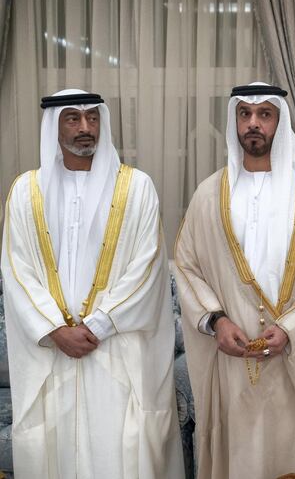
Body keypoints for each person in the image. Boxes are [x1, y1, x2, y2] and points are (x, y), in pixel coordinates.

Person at [1, 89, 183, 478]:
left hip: (117, 347)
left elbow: (147, 267)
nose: (85, 128)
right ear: (54, 127)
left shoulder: (136, 188)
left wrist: (97, 324)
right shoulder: (24, 192)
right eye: (73, 119)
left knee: (118, 452)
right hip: (52, 350)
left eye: (92, 118)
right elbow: (17, 271)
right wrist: (56, 329)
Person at [174, 82, 295, 478]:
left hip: (294, 360)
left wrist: (290, 328)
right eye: (245, 114)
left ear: (280, 122)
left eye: (264, 115)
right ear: (235, 121)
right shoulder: (208, 195)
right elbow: (186, 266)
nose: (253, 124)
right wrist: (216, 320)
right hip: (231, 358)